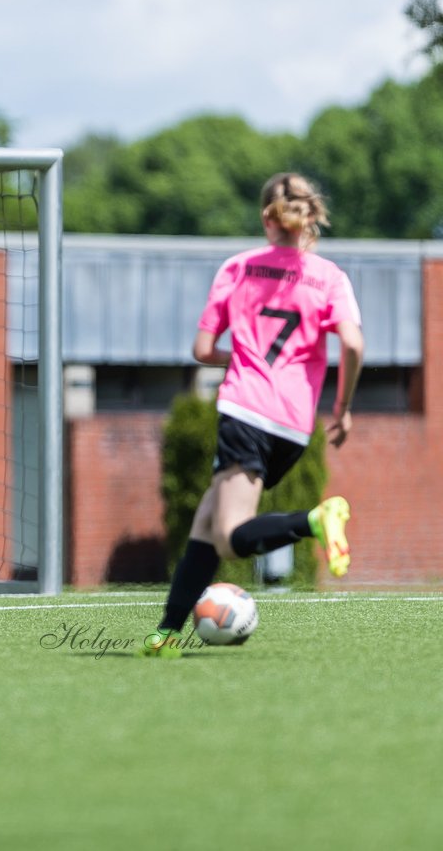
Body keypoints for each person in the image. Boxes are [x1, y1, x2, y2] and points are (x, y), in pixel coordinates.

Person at [141, 172, 364, 658]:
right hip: (294, 427)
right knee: (207, 521)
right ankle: (166, 633)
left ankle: (316, 520)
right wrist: (343, 408)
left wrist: (241, 356)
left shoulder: (237, 269)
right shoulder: (329, 277)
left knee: (229, 539)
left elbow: (202, 349)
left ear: (267, 218)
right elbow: (352, 342)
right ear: (310, 218)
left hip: (246, 413)